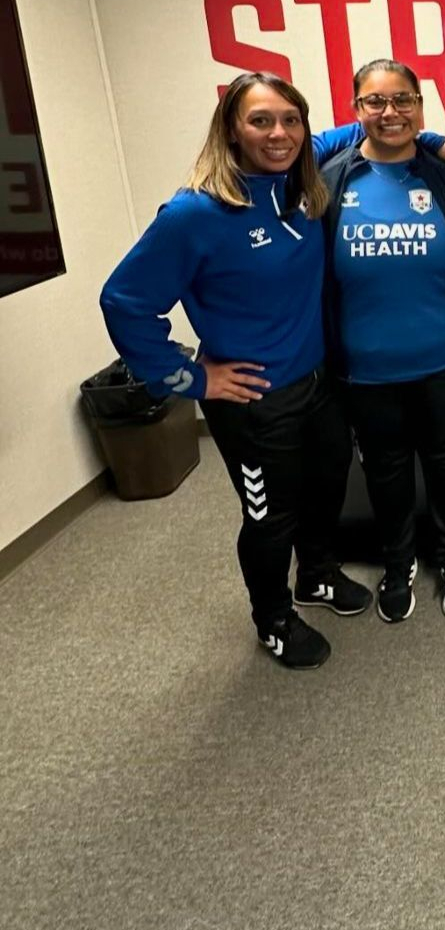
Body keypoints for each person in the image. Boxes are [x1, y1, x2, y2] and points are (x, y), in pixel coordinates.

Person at [100, 72, 370, 670]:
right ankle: (273, 619)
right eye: (260, 121)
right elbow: (124, 301)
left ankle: (317, 574)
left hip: (318, 384)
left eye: (290, 120)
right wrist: (192, 380)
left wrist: (424, 139)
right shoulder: (194, 214)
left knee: (328, 486)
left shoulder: (296, 177)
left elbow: (356, 129)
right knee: (271, 518)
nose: (279, 133)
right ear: (231, 130)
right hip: (253, 403)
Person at [312, 60, 445, 624]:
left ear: (420, 105)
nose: (390, 112)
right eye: (375, 101)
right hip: (364, 368)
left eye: (403, 100)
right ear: (356, 108)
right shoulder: (329, 182)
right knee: (385, 469)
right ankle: (398, 560)